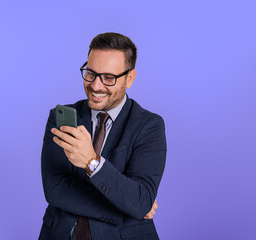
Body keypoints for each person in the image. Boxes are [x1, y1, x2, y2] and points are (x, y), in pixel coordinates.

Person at [39, 32, 167, 240]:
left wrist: (92, 162)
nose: (96, 86)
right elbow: (55, 190)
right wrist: (126, 208)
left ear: (130, 78)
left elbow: (140, 198)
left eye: (109, 78)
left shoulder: (149, 126)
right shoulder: (61, 118)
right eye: (90, 73)